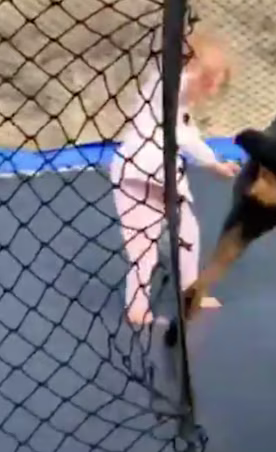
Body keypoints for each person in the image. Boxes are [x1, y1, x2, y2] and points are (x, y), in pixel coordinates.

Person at [111, 31, 240, 325]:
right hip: (139, 170)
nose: (213, 88)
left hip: (155, 172)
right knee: (144, 247)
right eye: (213, 80)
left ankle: (188, 293)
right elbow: (179, 85)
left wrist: (214, 164)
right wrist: (201, 68)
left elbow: (188, 136)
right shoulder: (167, 86)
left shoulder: (179, 106)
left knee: (187, 233)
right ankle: (137, 308)